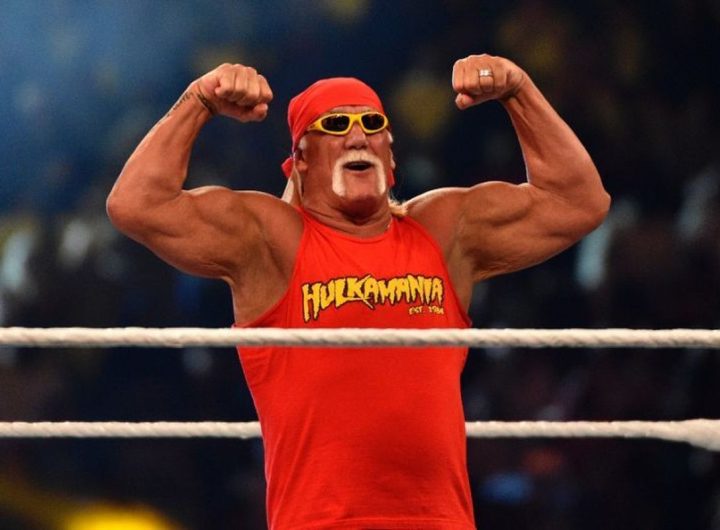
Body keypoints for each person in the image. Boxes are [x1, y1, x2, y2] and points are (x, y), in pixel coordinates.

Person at [107, 54, 610, 529]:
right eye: (335, 124)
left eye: (372, 124)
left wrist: (519, 91)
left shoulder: (442, 232)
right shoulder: (272, 242)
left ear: (390, 157)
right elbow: (137, 204)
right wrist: (199, 100)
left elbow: (578, 202)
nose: (357, 136)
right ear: (301, 161)